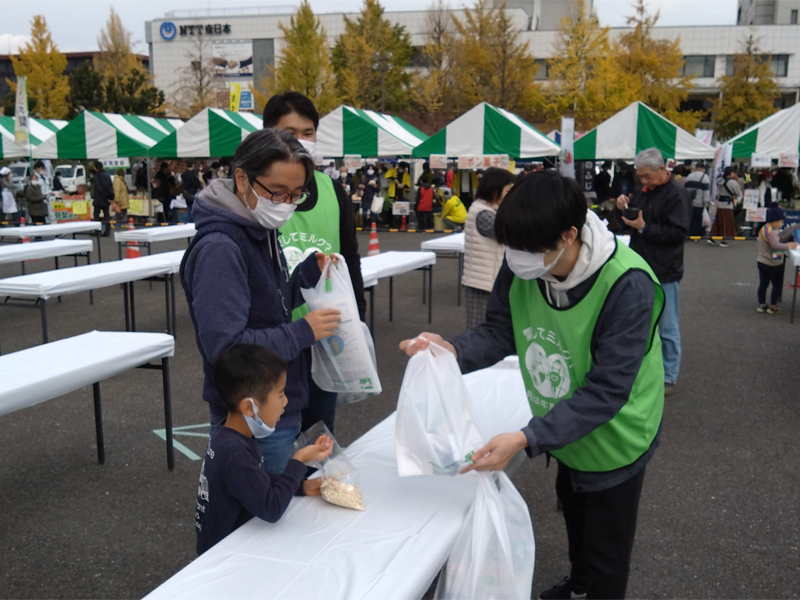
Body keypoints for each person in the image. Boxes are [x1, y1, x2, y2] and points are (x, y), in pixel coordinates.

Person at [401, 170, 664, 600]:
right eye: (510, 248)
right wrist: (451, 349)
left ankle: (596, 589)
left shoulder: (627, 284)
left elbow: (607, 390)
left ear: (569, 234)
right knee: (575, 509)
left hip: (617, 435)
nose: (515, 259)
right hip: (565, 425)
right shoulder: (526, 256)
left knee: (607, 545)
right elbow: (501, 330)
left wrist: (527, 438)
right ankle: (580, 585)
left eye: (525, 249)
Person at [180, 128, 341, 475]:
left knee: (277, 510)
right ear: (242, 178)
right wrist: (303, 332)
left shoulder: (257, 229)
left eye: (296, 195)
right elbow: (226, 348)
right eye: (277, 192)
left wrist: (303, 279)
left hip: (272, 407)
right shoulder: (221, 249)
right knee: (263, 520)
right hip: (252, 418)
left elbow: (267, 306)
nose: (286, 205)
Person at [263, 91, 366, 436]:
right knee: (274, 437)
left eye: (309, 133)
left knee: (320, 434)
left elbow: (349, 259)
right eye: (290, 132)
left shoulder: (333, 190)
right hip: (274, 342)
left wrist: (358, 322)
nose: (301, 141)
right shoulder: (261, 196)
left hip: (325, 338)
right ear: (268, 134)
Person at [195, 344, 334, 555]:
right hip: (224, 555)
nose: (286, 402)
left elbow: (254, 481)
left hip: (226, 544)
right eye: (280, 395)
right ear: (250, 407)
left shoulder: (228, 435)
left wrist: (301, 486)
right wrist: (298, 461)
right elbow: (271, 508)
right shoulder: (235, 452)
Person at [614, 148, 688, 397]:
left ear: (661, 169)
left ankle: (669, 375)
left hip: (665, 269)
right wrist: (621, 206)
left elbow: (678, 234)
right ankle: (644, 369)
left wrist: (645, 228)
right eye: (640, 177)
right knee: (639, 322)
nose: (643, 181)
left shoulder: (677, 194)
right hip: (640, 266)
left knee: (667, 326)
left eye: (647, 176)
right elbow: (630, 220)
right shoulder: (643, 191)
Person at [462, 167, 517, 329]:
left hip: (488, 280)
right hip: (481, 284)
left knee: (491, 329)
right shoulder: (482, 213)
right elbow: (510, 232)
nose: (511, 196)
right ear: (494, 191)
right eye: (508, 191)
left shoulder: (491, 210)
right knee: (480, 329)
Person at [756, 205, 798, 314]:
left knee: (763, 284)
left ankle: (762, 304)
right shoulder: (773, 232)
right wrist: (789, 245)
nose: (781, 224)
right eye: (780, 222)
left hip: (761, 261)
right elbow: (775, 246)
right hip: (773, 263)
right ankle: (773, 306)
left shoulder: (764, 229)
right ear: (774, 221)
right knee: (777, 285)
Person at [709, 166, 741, 246]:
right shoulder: (733, 183)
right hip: (727, 205)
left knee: (718, 222)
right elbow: (738, 193)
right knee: (726, 223)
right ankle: (723, 240)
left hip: (720, 204)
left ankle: (712, 238)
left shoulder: (721, 181)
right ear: (731, 173)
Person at [685, 161, 710, 238]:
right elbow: (706, 192)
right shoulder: (705, 177)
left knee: (690, 219)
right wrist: (705, 202)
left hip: (690, 202)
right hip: (699, 203)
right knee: (698, 220)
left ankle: (689, 234)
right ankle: (696, 235)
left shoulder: (689, 176)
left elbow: (686, 189)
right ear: (703, 168)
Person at [91, 161, 115, 236]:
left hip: (98, 199)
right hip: (106, 200)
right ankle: (107, 231)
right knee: (107, 216)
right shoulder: (107, 176)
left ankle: (97, 231)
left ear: (95, 168)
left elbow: (97, 188)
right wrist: (110, 197)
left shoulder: (96, 176)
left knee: (96, 216)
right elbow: (110, 188)